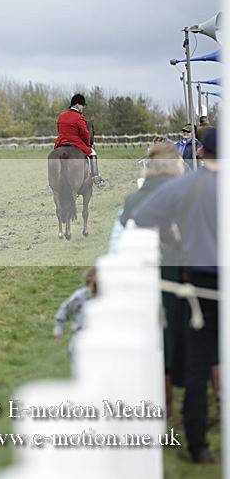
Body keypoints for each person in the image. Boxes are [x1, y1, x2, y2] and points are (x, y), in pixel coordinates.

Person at [130, 128, 219, 464]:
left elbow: (141, 216)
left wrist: (174, 234)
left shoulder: (186, 185)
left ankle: (198, 444)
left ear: (202, 152)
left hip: (199, 283)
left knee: (198, 365)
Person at [118, 142, 185, 419]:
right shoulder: (182, 193)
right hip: (177, 271)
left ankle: (163, 405)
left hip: (143, 275)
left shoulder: (134, 198)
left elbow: (124, 225)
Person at [54, 94, 105, 186]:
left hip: (61, 142)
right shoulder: (79, 117)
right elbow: (85, 133)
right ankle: (95, 177)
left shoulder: (61, 115)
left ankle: (53, 180)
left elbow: (59, 129)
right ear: (77, 105)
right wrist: (88, 143)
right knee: (92, 153)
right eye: (82, 106)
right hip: (75, 142)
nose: (82, 108)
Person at [53, 267, 98, 359]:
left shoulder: (108, 300)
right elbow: (65, 309)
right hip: (80, 340)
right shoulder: (80, 297)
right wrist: (59, 327)